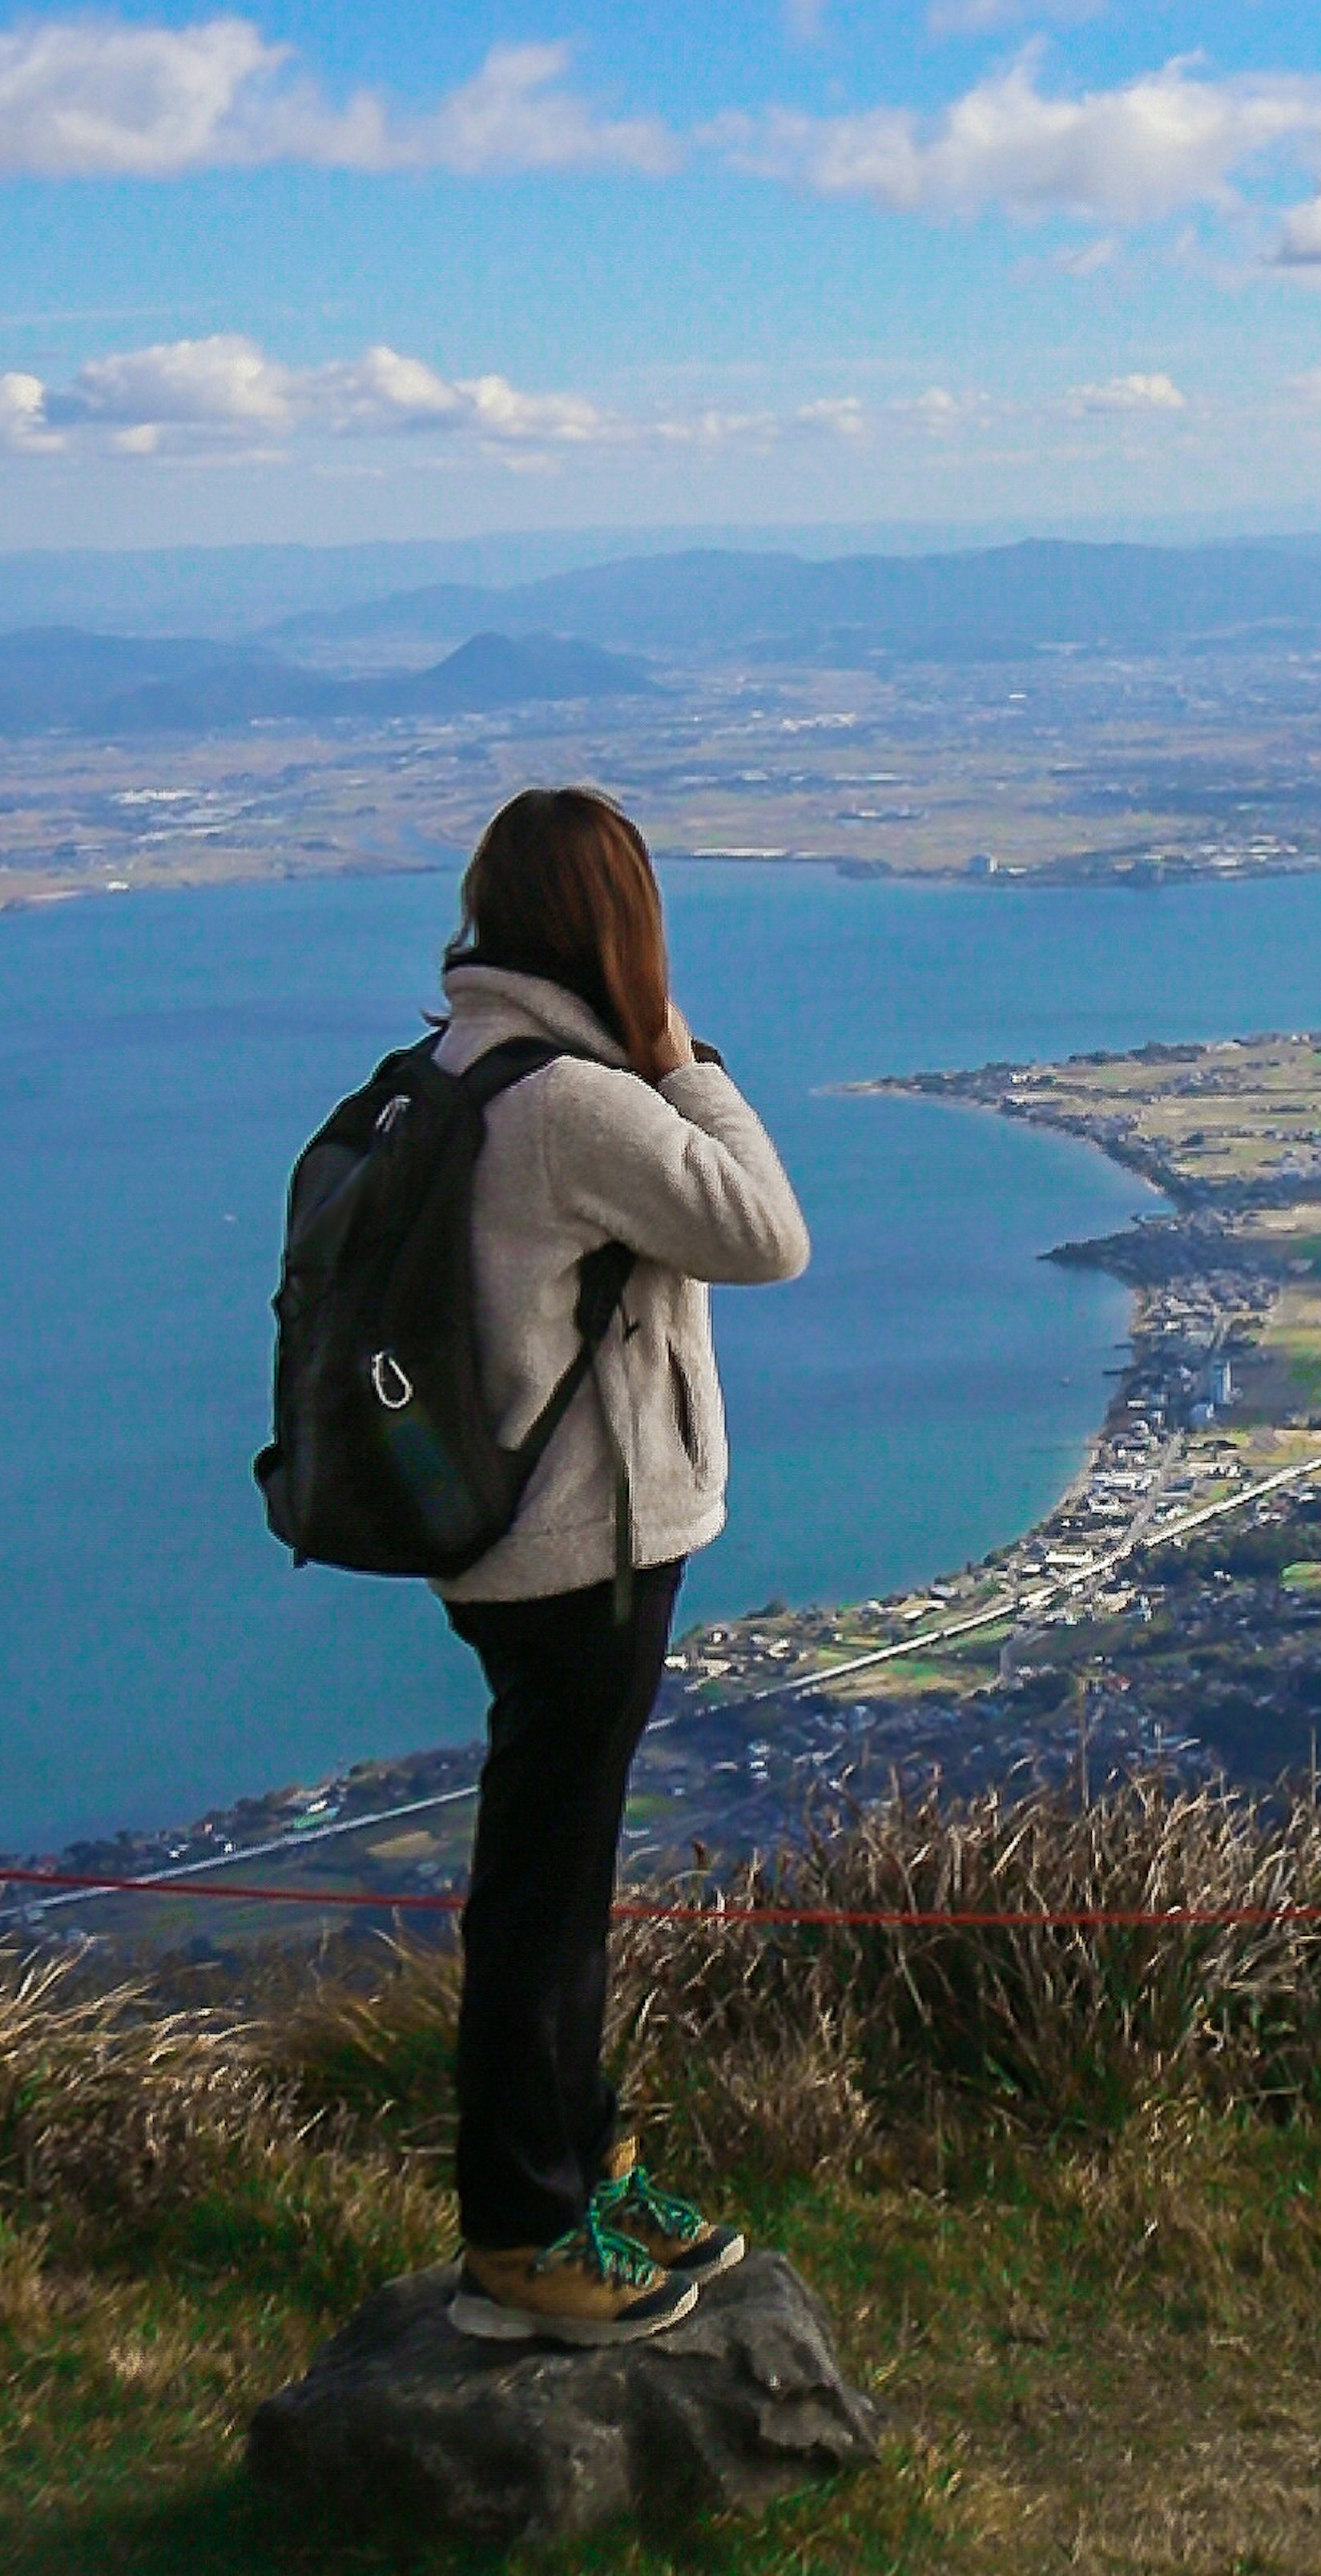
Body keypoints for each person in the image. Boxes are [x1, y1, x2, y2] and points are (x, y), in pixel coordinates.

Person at [432, 787, 811, 2349]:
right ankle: (523, 2233)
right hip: (583, 1550)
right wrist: (680, 1054)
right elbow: (765, 1230)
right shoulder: (581, 1104)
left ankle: (588, 2170)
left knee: (561, 1878)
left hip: (510, 1542)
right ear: (616, 928)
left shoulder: (459, 1067)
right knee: (544, 1895)